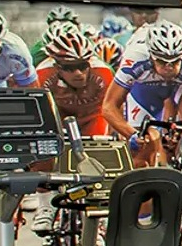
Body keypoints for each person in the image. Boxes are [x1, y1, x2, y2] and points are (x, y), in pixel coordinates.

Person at [31, 24, 129, 235]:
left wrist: (118, 136)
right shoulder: (42, 75)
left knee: (99, 154)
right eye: (69, 67)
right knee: (44, 149)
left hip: (91, 116)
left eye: (83, 66)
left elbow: (113, 108)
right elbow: (36, 115)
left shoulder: (103, 72)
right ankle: (45, 206)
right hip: (57, 115)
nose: (79, 73)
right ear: (57, 66)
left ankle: (98, 222)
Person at [102, 21, 182, 168]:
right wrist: (132, 135)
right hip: (144, 87)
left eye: (175, 62)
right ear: (151, 56)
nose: (169, 67)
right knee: (142, 152)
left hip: (180, 84)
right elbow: (108, 107)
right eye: (162, 61)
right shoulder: (136, 57)